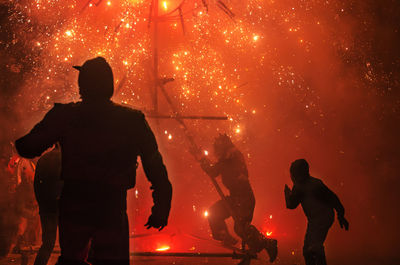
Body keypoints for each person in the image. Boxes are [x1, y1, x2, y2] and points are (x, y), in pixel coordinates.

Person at [15, 57, 172, 265]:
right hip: (111, 207)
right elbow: (156, 168)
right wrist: (161, 208)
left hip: (75, 204)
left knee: (72, 259)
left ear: (83, 85)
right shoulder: (131, 120)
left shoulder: (66, 116)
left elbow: (28, 147)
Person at [197, 134, 277, 262]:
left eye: (218, 147)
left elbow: (213, 170)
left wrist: (201, 158)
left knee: (241, 228)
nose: (216, 150)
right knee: (214, 212)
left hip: (244, 199)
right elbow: (215, 169)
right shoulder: (228, 157)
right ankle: (225, 237)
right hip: (235, 198)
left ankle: (267, 243)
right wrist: (202, 159)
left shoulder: (231, 156)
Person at [284, 159, 349, 265]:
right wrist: (341, 214)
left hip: (321, 219)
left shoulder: (303, 186)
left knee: (313, 248)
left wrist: (287, 193)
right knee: (309, 249)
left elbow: (291, 205)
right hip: (318, 219)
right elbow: (333, 198)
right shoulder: (314, 183)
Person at [33, 145, 62, 265]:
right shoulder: (68, 158)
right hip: (64, 208)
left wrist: (42, 204)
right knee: (69, 245)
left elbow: (37, 185)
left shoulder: (44, 159)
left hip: (47, 208)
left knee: (47, 244)